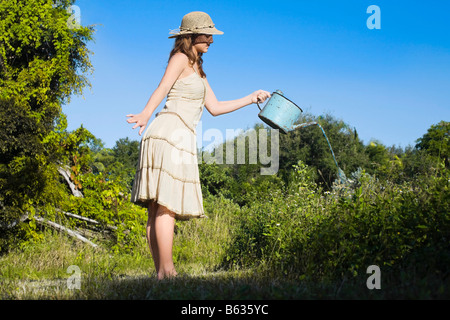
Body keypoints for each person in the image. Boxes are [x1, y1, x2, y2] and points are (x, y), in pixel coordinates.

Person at [126, 11, 271, 280]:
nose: (212, 41)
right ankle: (166, 271)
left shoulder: (199, 69)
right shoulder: (180, 58)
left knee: (159, 208)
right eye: (208, 35)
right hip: (168, 131)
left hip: (180, 135)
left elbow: (215, 108)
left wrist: (251, 98)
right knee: (163, 205)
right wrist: (146, 113)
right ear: (191, 36)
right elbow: (162, 88)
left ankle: (162, 273)